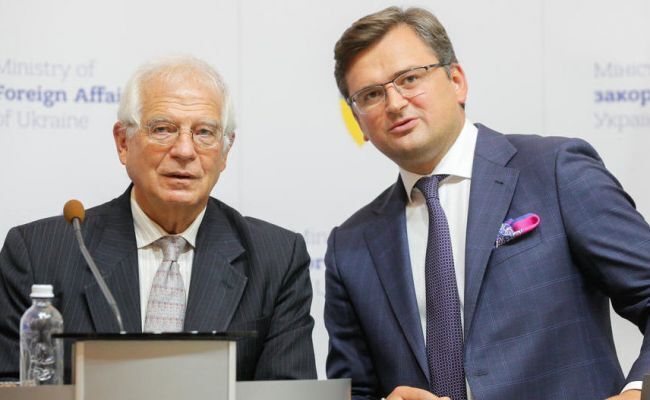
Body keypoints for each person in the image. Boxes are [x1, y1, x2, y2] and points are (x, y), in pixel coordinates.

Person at [324, 6, 650, 400]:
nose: (394, 103)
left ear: (457, 81)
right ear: (358, 121)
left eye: (409, 78)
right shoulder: (351, 246)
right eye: (372, 95)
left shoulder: (554, 171)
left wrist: (639, 392)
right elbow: (355, 389)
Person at [0, 56, 316, 382]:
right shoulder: (38, 253)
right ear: (123, 142)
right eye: (163, 129)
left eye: (204, 132)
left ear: (225, 151)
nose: (184, 150)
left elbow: (288, 391)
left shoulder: (276, 258)